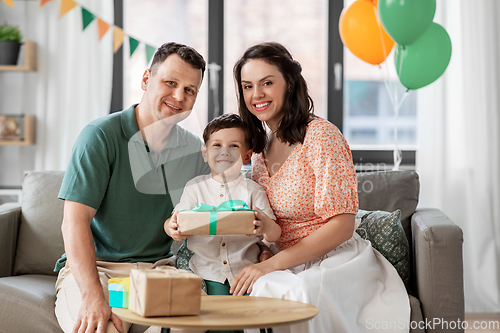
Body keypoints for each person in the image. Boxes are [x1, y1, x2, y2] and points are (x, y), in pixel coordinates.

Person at [231, 42, 410, 333]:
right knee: (259, 292)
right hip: (284, 259)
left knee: (301, 295)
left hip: (334, 259)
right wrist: (265, 251)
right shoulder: (260, 151)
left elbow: (342, 225)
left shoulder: (322, 136)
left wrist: (269, 265)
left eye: (267, 83)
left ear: (289, 83)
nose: (256, 94)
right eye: (248, 86)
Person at [55, 42, 211, 333]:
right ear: (145, 79)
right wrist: (92, 295)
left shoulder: (194, 151)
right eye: (170, 82)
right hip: (100, 271)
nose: (179, 96)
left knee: (188, 329)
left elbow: (218, 207)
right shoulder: (100, 136)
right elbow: (73, 222)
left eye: (189, 90)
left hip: (161, 272)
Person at [165, 113, 279, 298]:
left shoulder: (254, 190)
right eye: (217, 145)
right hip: (204, 270)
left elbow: (274, 235)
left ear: (247, 156)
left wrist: (266, 227)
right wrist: (173, 229)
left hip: (245, 273)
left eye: (234, 146)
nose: (225, 151)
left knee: (244, 320)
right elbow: (176, 221)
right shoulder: (194, 188)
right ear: (205, 153)